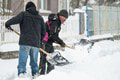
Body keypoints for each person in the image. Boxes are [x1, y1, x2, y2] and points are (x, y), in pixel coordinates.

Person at [5, 1, 46, 78]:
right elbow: (44, 32)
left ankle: (22, 74)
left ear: (27, 8)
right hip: (35, 44)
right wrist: (39, 41)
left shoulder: (24, 14)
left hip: (25, 42)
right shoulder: (40, 18)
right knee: (34, 62)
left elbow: (15, 19)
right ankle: (35, 75)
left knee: (22, 61)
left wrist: (7, 23)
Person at [39, 9, 68, 75]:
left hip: (48, 41)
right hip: (44, 41)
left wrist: (59, 41)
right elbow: (53, 35)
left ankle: (50, 75)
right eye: (65, 18)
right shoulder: (55, 22)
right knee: (44, 59)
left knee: (51, 58)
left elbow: (53, 35)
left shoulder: (57, 22)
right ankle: (41, 75)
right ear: (61, 16)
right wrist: (61, 42)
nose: (65, 20)